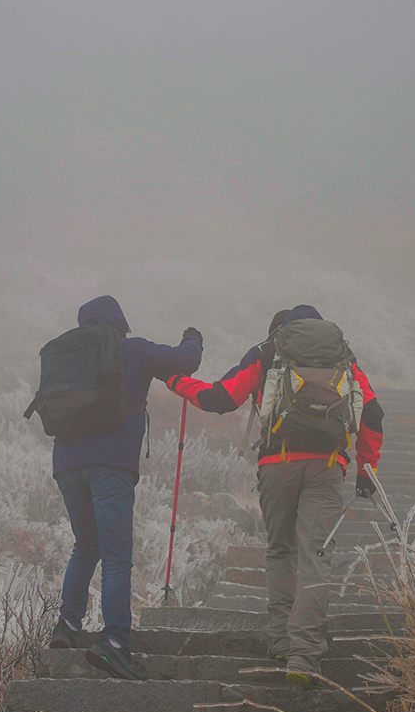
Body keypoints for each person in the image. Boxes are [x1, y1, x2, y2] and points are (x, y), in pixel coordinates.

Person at [164, 304, 384, 689]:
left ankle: (281, 641)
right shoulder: (342, 358)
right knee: (315, 557)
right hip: (328, 465)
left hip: (277, 463)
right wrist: (367, 469)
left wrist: (176, 381)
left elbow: (221, 398)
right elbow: (374, 412)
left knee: (281, 550)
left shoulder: (268, 351)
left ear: (280, 331)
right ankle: (304, 656)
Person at [45, 295, 202, 681]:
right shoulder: (132, 349)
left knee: (86, 545)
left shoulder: (70, 353)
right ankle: (115, 643)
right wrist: (193, 337)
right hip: (110, 465)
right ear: (120, 321)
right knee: (116, 556)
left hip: (66, 464)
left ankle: (67, 627)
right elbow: (185, 361)